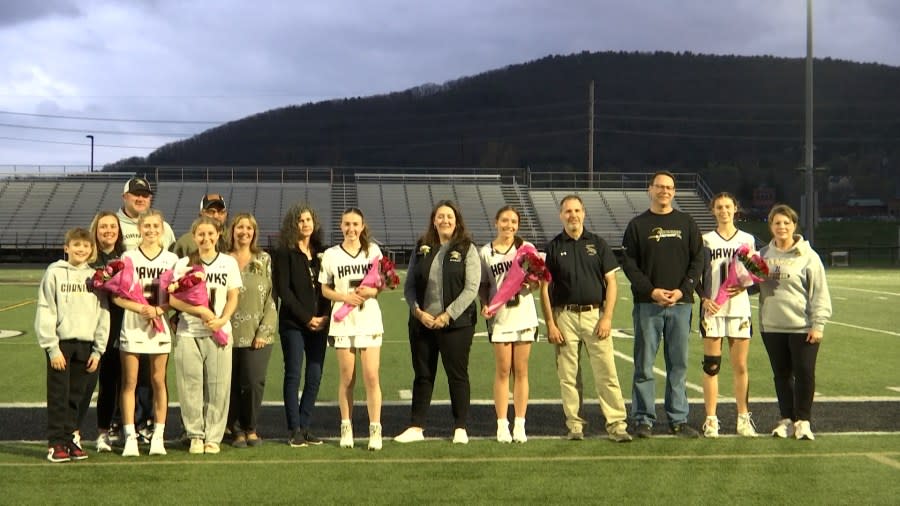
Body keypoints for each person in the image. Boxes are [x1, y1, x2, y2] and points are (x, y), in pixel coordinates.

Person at [539, 195, 632, 442]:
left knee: (607, 373)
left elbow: (611, 282)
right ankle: (575, 426)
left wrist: (607, 317)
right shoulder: (554, 246)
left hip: (594, 316)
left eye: (577, 210)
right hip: (564, 316)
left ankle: (616, 425)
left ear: (584, 213)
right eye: (568, 211)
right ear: (561, 215)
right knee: (568, 376)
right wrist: (550, 323)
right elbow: (545, 289)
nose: (573, 215)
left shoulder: (598, 244)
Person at [622, 170, 704, 438]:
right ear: (650, 189)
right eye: (659, 186)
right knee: (644, 364)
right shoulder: (637, 225)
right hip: (648, 305)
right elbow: (630, 265)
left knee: (678, 365)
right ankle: (643, 418)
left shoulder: (687, 222)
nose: (664, 191)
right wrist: (652, 290)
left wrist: (683, 291)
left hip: (681, 305)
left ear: (674, 191)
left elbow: (698, 260)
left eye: (669, 187)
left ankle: (678, 419)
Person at [396, 200, 480, 445]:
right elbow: (409, 284)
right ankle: (416, 426)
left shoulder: (467, 247)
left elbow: (471, 288)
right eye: (440, 216)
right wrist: (418, 312)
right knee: (423, 375)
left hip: (456, 325)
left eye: (449, 216)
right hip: (422, 324)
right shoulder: (422, 246)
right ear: (434, 220)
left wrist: (448, 315)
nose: (445, 220)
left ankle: (460, 427)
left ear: (457, 220)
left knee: (457, 375)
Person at [35, 228, 110, 462]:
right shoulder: (55, 272)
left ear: (91, 250)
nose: (81, 249)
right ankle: (55, 443)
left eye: (86, 246)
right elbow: (46, 308)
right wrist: (52, 347)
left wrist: (99, 350)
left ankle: (70, 439)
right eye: (76, 245)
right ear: (66, 248)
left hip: (87, 345)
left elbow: (103, 313)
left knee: (77, 396)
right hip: (61, 345)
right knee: (59, 395)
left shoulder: (96, 277)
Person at [169, 216, 242, 455]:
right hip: (189, 331)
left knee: (219, 386)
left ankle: (213, 436)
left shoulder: (228, 263)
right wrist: (198, 310)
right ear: (194, 236)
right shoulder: (183, 264)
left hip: (219, 332)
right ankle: (195, 435)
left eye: (210, 233)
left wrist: (222, 320)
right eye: (201, 234)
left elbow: (233, 296)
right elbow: (173, 299)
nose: (206, 238)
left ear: (218, 234)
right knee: (190, 385)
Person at [758, 204, 832, 441]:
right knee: (781, 375)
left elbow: (820, 292)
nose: (782, 227)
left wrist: (818, 324)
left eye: (786, 223)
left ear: (794, 225)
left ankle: (803, 421)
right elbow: (748, 284)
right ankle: (787, 419)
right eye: (777, 223)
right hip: (771, 326)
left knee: (805, 373)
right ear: (770, 226)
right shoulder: (761, 255)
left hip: (802, 326)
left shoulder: (808, 256)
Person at [113, 209, 178, 457]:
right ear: (139, 228)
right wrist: (140, 307)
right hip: (133, 324)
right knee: (129, 382)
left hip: (158, 327)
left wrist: (159, 310)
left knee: (158, 381)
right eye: (146, 226)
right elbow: (117, 297)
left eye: (155, 226)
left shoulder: (171, 260)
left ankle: (158, 436)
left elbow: (177, 298)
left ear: (162, 229)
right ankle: (130, 436)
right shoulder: (128, 257)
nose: (151, 230)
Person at [319, 208, 386, 451]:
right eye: (347, 224)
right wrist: (343, 296)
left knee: (371, 376)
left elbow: (380, 283)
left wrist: (374, 291)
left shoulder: (373, 251)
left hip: (368, 318)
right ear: (340, 226)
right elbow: (325, 289)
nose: (351, 229)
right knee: (347, 377)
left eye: (355, 224)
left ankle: (375, 429)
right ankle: (346, 427)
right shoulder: (331, 254)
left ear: (362, 225)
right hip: (343, 320)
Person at [696, 193, 759, 438]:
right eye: (719, 207)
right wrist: (704, 298)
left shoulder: (747, 239)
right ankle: (711, 420)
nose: (724, 211)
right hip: (712, 309)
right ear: (713, 210)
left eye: (728, 207)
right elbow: (696, 275)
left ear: (736, 209)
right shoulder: (705, 240)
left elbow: (755, 275)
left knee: (740, 365)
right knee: (712, 366)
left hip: (739, 309)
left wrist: (744, 285)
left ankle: (743, 418)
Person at [479, 206, 539, 443]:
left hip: (524, 315)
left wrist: (530, 285)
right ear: (496, 222)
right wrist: (485, 303)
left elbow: (538, 279)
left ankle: (520, 424)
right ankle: (502, 424)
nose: (509, 225)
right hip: (501, 317)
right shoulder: (486, 252)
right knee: (503, 370)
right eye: (505, 221)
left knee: (521, 370)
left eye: (513, 222)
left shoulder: (526, 249)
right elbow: (484, 285)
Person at [272, 203, 330, 448]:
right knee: (294, 374)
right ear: (292, 224)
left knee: (315, 376)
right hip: (294, 324)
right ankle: (293, 428)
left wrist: (324, 316)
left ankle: (305, 427)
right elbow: (284, 290)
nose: (305, 224)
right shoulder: (284, 252)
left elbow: (330, 287)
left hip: (320, 324)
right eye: (300, 220)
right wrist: (307, 317)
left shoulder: (322, 252)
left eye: (308, 219)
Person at [226, 213, 277, 448]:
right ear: (232, 230)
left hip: (256, 331)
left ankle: (251, 427)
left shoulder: (263, 259)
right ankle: (236, 430)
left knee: (254, 381)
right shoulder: (223, 259)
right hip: (226, 332)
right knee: (232, 383)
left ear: (254, 232)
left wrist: (264, 331)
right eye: (240, 227)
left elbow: (270, 297)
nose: (244, 232)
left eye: (249, 228)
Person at [77, 211, 126, 453]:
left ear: (119, 230)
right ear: (95, 229)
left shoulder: (127, 257)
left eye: (112, 227)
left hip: (117, 327)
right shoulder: (88, 259)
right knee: (84, 383)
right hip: (89, 328)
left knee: (111, 382)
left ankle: (104, 433)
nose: (108, 230)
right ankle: (72, 432)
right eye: (103, 226)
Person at [117, 177, 175, 250]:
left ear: (150, 198)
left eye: (145, 195)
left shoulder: (164, 227)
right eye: (136, 194)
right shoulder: (113, 226)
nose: (140, 199)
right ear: (124, 197)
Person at [173, 193, 229, 257]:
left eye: (221, 212)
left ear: (226, 215)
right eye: (211, 211)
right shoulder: (185, 243)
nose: (216, 216)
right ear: (201, 214)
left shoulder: (233, 239)